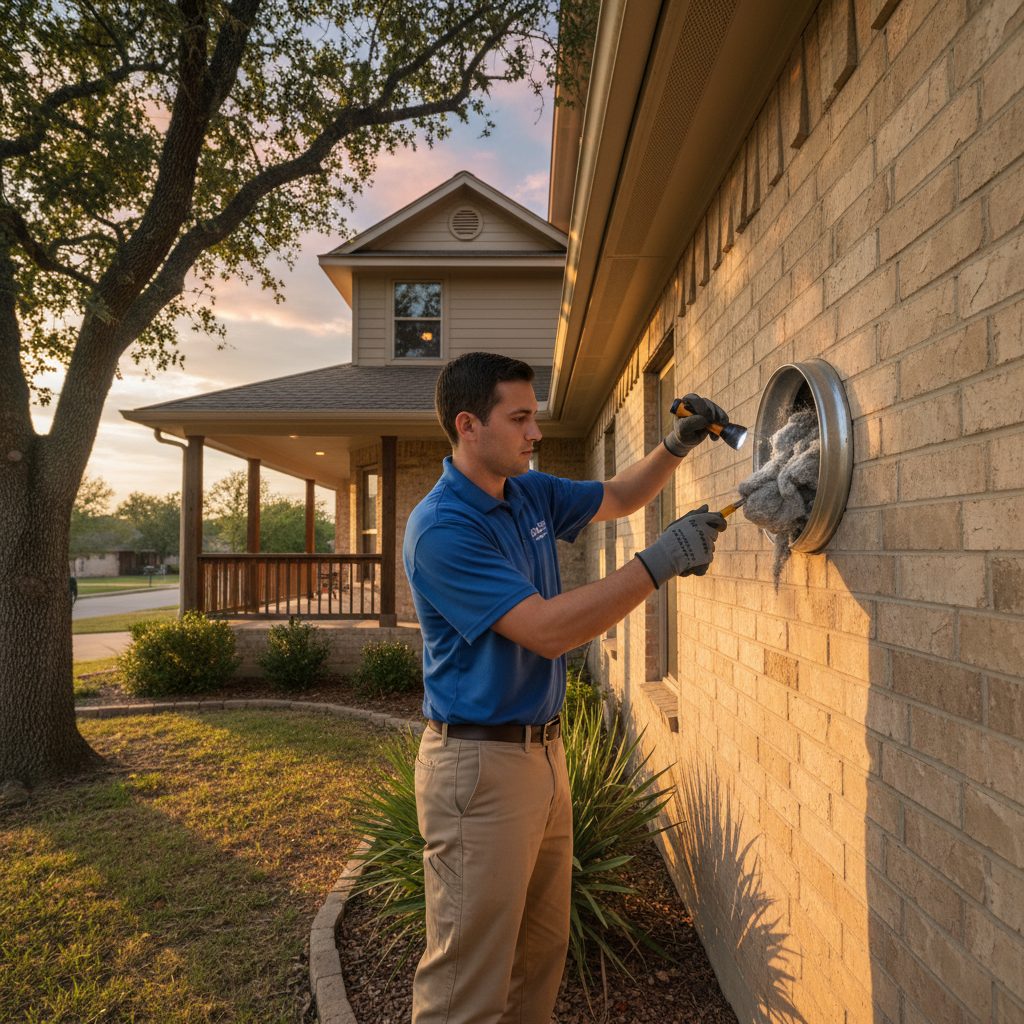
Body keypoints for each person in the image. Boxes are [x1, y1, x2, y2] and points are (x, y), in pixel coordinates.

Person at [403, 352, 729, 1024]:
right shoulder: (442, 528)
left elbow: (620, 496)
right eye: (519, 418)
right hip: (479, 770)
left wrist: (676, 444)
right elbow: (547, 631)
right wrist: (659, 562)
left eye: (535, 417)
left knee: (538, 959)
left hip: (543, 758)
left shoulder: (525, 491)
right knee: (466, 984)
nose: (535, 433)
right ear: (468, 425)